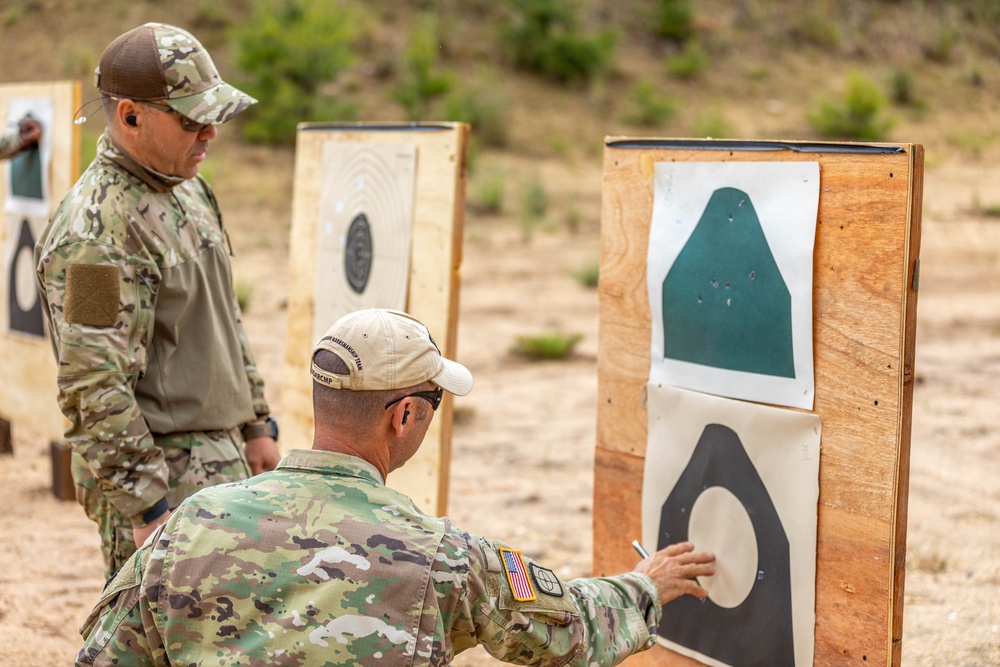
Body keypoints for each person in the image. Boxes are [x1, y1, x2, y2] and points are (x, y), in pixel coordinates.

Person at [75, 308, 715, 666]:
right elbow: (568, 629)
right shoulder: (441, 556)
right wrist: (643, 586)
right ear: (405, 414)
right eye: (434, 402)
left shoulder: (192, 522)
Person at [34, 22, 280, 579]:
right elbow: (93, 381)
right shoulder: (93, 237)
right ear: (130, 117)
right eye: (193, 120)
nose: (210, 135)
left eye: (215, 116)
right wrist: (147, 507)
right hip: (164, 477)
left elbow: (221, 319)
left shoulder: (189, 189)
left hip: (223, 458)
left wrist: (256, 425)